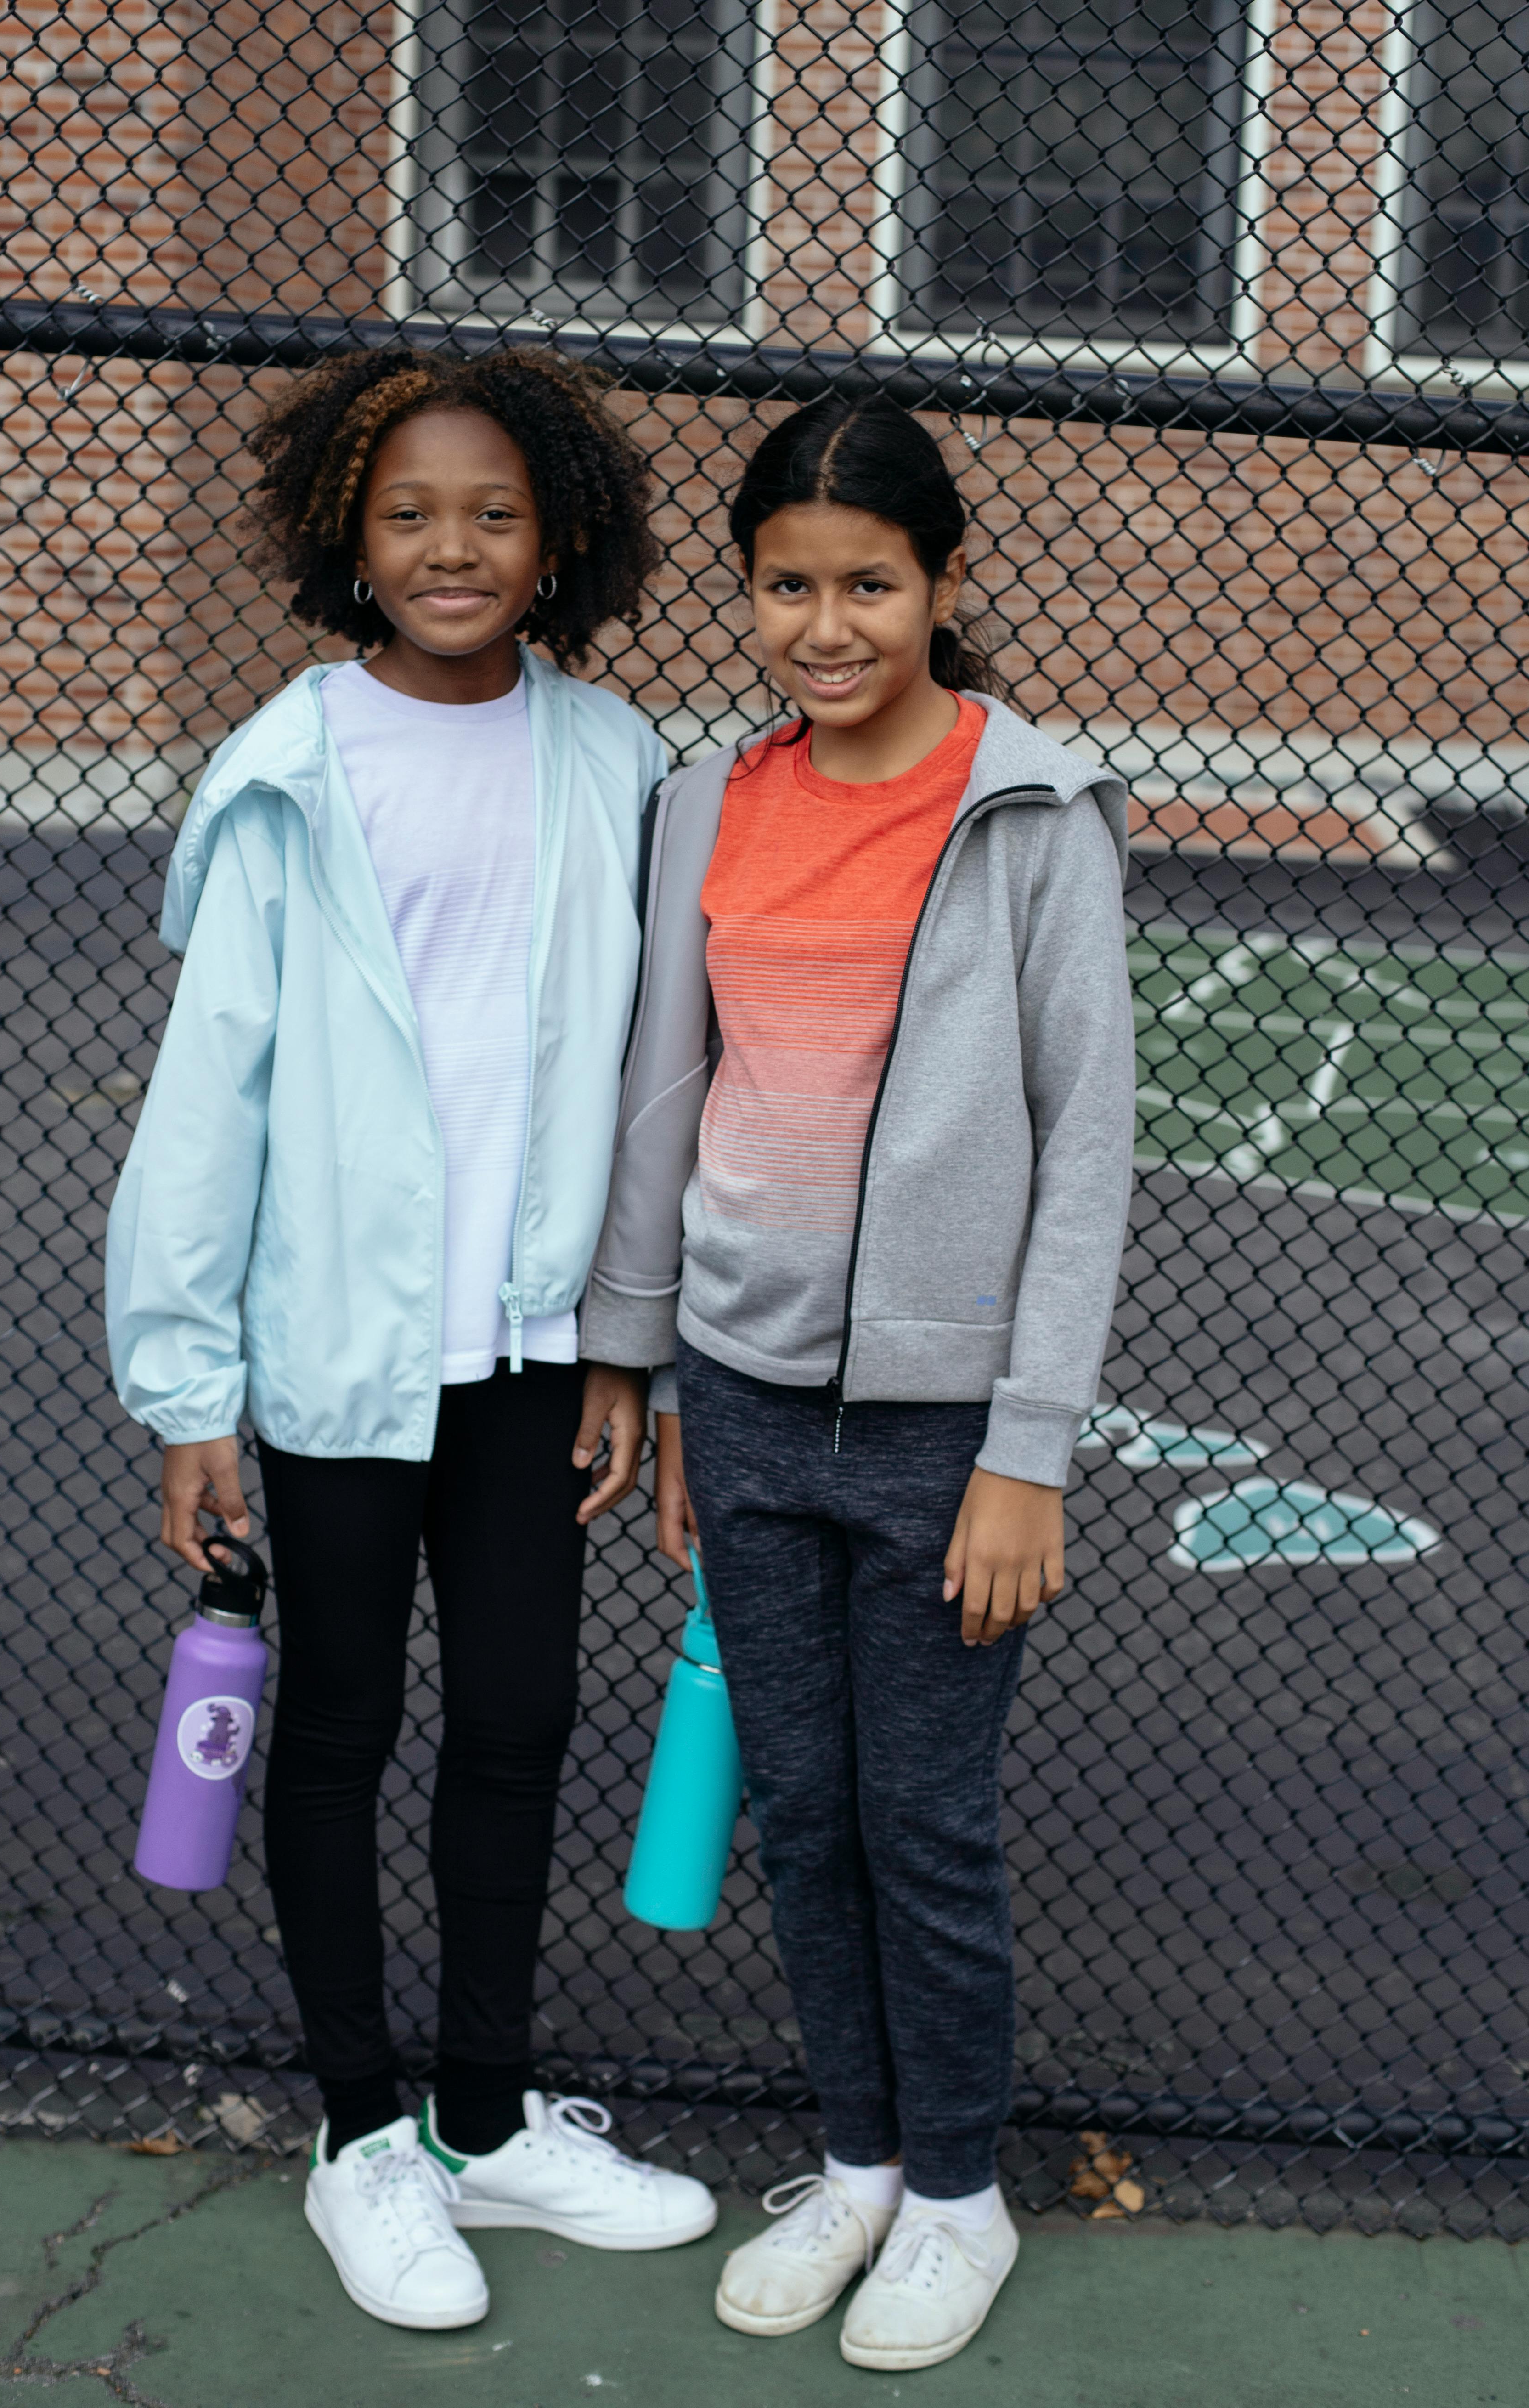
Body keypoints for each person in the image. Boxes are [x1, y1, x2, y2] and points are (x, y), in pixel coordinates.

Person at [106, 345, 717, 2333]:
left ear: (558, 543)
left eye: (492, 515)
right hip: (340, 1355)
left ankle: (478, 2117)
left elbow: (651, 1080)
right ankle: (359, 2133)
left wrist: (636, 1348)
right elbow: (211, 1092)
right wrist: (189, 1388)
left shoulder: (613, 760)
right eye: (408, 516)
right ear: (343, 540)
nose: (450, 548)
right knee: (348, 1724)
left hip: (537, 1352)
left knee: (523, 1722)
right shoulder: (289, 767)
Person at [580, 392, 1134, 2373]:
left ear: (943, 582)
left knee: (925, 1819)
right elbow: (669, 1082)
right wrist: (635, 1355)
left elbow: (1086, 1146)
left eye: (868, 584)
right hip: (740, 1395)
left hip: (942, 1426)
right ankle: (866, 2160)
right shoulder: (710, 805)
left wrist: (1028, 1451)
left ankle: (963, 2198)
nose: (826, 625)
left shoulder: (1034, 813)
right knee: (800, 1811)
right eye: (787, 585)